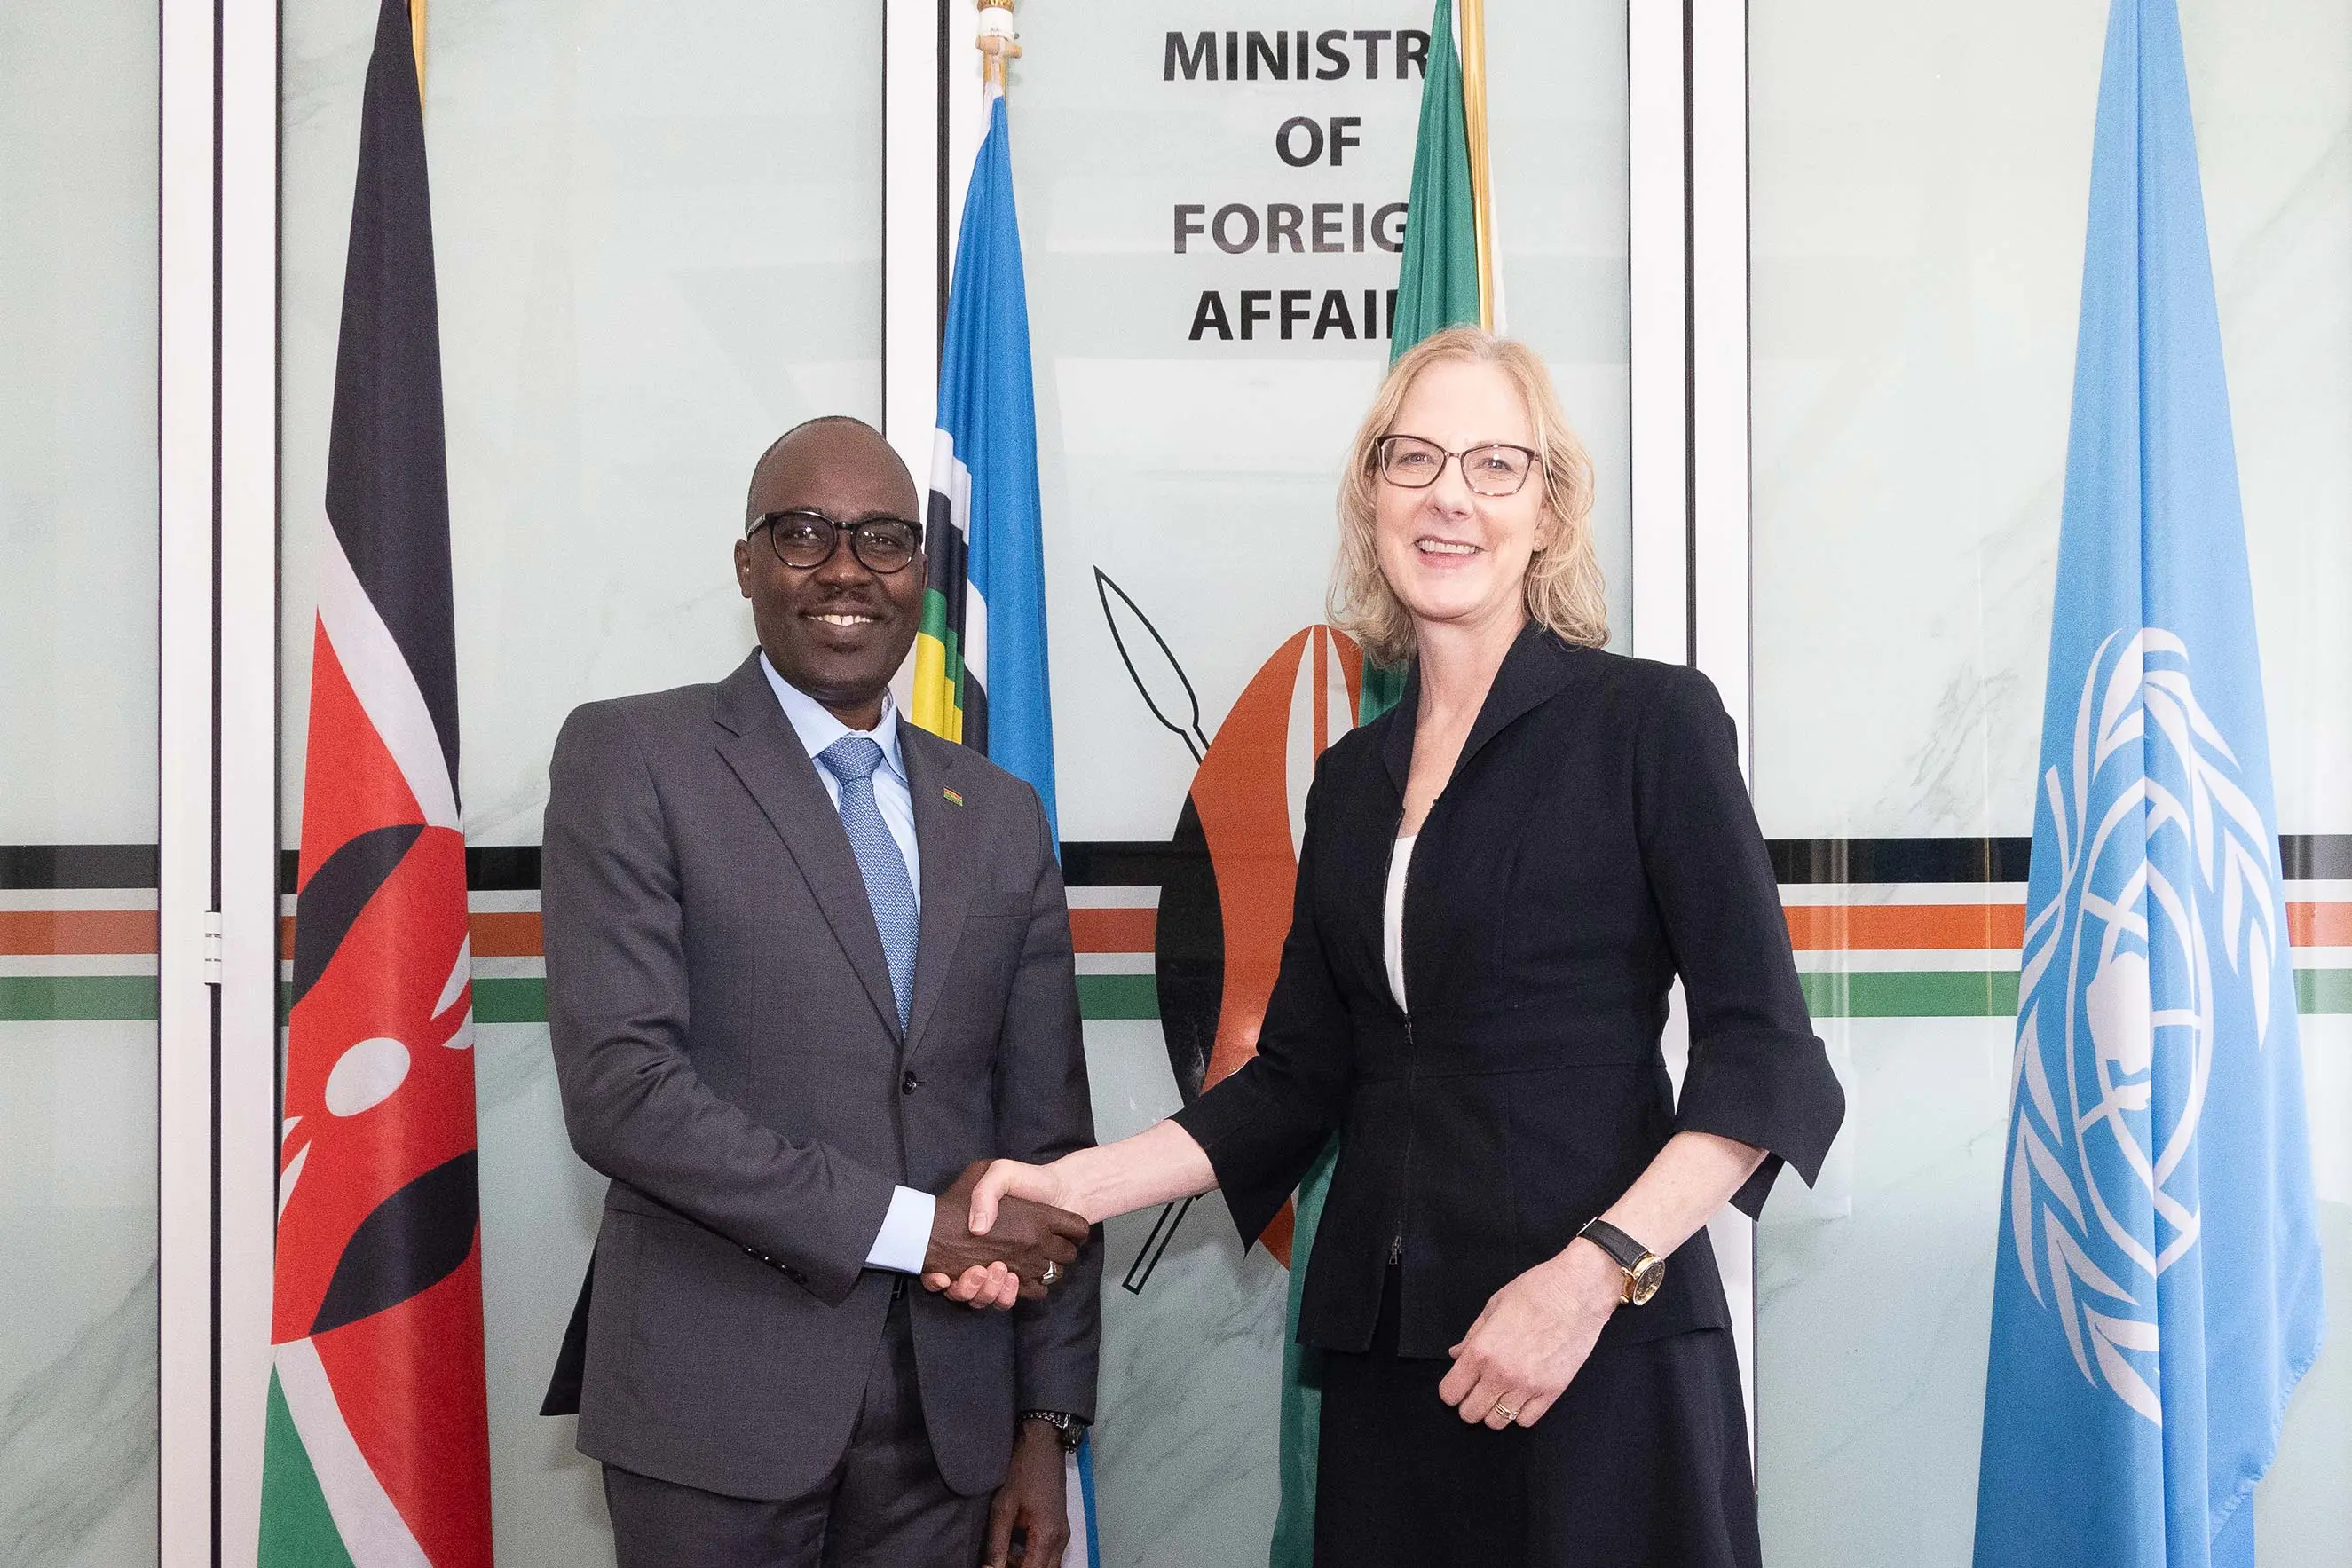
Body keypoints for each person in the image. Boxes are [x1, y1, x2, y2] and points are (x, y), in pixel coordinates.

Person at [951, 329, 1845, 1567]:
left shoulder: (1648, 724)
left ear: (1548, 509)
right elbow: (1299, 1079)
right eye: (1411, 457)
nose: (1448, 496)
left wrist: (1590, 1275)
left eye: (1494, 464)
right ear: (1368, 494)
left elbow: (1764, 1057)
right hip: (1394, 1371)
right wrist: (1068, 1185)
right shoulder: (1351, 782)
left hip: (1594, 1357)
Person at [541, 414, 1101, 1568]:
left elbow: (1047, 1138)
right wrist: (914, 1229)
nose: (846, 567)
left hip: (951, 1424)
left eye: (884, 538)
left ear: (920, 575)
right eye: (804, 533)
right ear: (747, 563)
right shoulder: (633, 758)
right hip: (715, 1411)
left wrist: (1045, 1423)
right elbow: (623, 1090)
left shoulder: (996, 815)